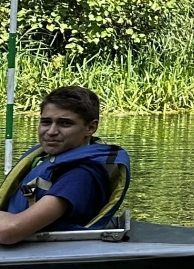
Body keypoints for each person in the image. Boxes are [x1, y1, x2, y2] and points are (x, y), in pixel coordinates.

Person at [0, 87, 129, 246]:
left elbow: (11, 230)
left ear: (91, 128)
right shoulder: (49, 160)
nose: (51, 131)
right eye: (46, 122)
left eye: (65, 123)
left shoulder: (80, 176)